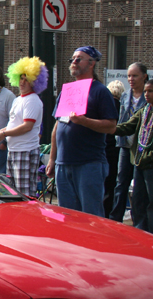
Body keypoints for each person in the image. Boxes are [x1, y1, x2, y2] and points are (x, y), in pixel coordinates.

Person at [46, 46, 118, 217]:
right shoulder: (68, 91)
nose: (74, 62)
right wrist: (52, 159)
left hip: (89, 163)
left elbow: (111, 126)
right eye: (72, 59)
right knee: (67, 216)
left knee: (90, 216)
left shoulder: (100, 91)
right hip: (64, 163)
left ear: (91, 63)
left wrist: (84, 121)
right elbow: (58, 126)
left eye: (79, 59)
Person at [104, 79, 153, 239]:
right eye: (145, 91)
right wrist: (109, 128)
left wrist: (150, 156)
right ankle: (141, 233)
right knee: (138, 200)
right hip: (139, 163)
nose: (147, 94)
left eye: (151, 91)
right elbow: (129, 126)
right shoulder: (144, 111)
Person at [0, 58, 47, 197]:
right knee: (13, 192)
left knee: (24, 193)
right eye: (21, 78)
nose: (22, 82)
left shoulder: (32, 100)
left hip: (25, 151)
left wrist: (4, 134)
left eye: (27, 79)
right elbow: (14, 123)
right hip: (14, 150)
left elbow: (27, 126)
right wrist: (1, 131)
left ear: (34, 81)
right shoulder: (18, 99)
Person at [109, 62, 148, 222]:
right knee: (121, 182)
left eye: (135, 76)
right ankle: (115, 219)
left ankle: (139, 221)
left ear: (144, 77)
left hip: (141, 147)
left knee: (139, 186)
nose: (131, 79)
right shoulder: (125, 96)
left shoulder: (149, 96)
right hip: (125, 145)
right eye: (129, 76)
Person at [103, 79, 125, 219]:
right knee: (112, 186)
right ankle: (109, 214)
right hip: (115, 150)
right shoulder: (122, 107)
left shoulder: (105, 106)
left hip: (103, 148)